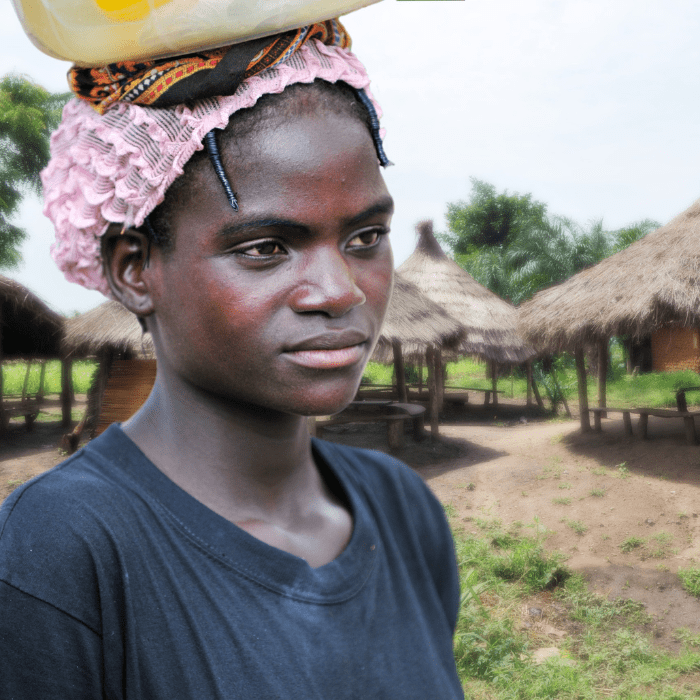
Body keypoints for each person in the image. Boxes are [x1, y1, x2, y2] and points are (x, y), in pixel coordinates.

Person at [0, 20, 464, 699]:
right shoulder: (61, 552)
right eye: (266, 248)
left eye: (366, 236)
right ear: (135, 270)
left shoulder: (403, 510)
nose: (341, 291)